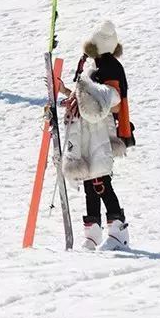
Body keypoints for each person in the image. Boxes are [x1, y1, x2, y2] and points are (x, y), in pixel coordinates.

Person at [59, 20, 133, 251]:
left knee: (100, 179)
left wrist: (83, 91)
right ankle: (93, 234)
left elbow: (111, 103)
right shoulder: (101, 67)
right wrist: (66, 92)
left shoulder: (107, 68)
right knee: (91, 180)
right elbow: (91, 101)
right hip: (91, 131)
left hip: (101, 132)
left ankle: (117, 232)